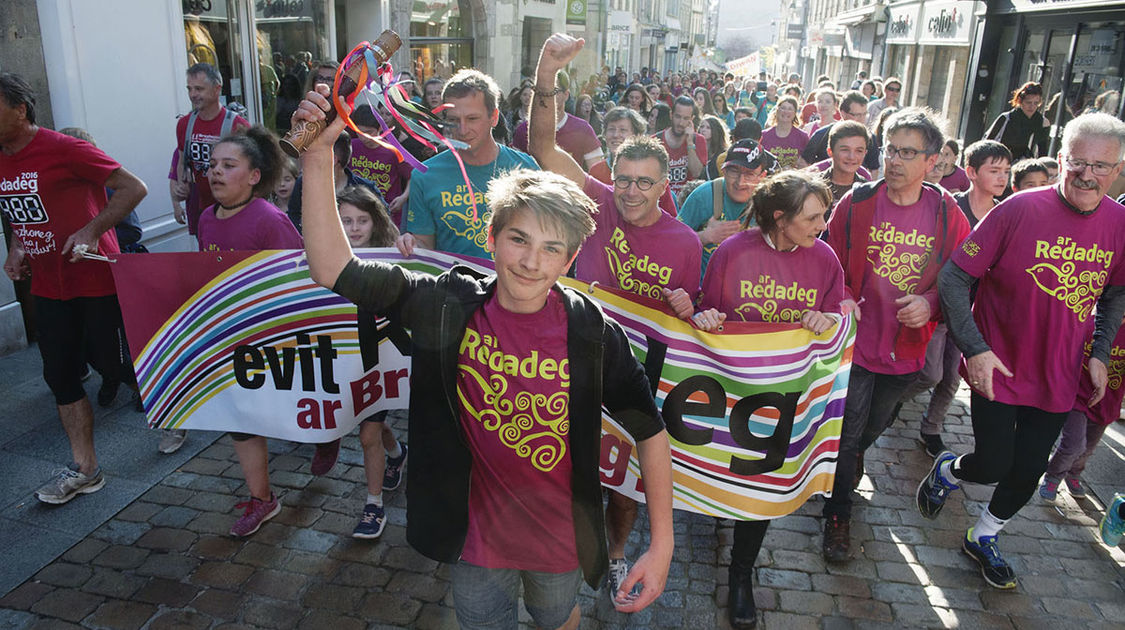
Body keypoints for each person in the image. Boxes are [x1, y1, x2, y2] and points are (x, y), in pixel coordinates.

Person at [296, 82, 675, 629]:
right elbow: (335, 270)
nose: (530, 261)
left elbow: (649, 428)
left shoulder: (590, 330)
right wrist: (316, 158)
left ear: (569, 260)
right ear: (492, 237)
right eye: (519, 239)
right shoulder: (445, 305)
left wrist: (660, 545)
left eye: (551, 249)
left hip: (562, 538)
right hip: (473, 537)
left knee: (558, 617)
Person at [917, 113, 1125, 590]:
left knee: (1029, 468)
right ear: (1060, 161)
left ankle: (983, 535)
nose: (1087, 175)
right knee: (992, 463)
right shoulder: (1017, 210)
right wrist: (976, 349)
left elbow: (1116, 292)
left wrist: (1099, 351)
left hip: (1059, 370)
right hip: (999, 364)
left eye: (1101, 165)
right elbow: (954, 276)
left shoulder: (1120, 224)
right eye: (1077, 163)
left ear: (1117, 169)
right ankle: (950, 469)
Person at [531, 35, 700, 600]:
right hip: (575, 355)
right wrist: (548, 74)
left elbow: (690, 324)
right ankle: (568, 545)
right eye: (623, 179)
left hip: (638, 377)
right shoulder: (596, 200)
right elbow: (542, 148)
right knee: (569, 463)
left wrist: (688, 308)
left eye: (644, 182)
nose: (630, 192)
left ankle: (620, 552)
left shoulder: (684, 242)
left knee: (626, 481)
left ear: (664, 184)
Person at [688, 170, 844, 629]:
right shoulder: (733, 251)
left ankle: (741, 574)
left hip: (785, 396)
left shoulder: (825, 259)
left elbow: (837, 313)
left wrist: (827, 318)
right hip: (731, 390)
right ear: (780, 217)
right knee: (724, 475)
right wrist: (707, 316)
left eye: (824, 214)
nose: (822, 224)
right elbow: (705, 311)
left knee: (760, 483)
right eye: (813, 216)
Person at [822, 108, 971, 562]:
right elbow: (826, 262)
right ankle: (837, 513)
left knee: (875, 422)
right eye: (890, 149)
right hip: (856, 341)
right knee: (848, 432)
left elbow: (961, 277)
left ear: (933, 161)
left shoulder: (947, 213)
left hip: (908, 347)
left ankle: (851, 463)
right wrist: (842, 295)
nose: (895, 161)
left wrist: (931, 303)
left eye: (908, 152)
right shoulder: (857, 203)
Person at [1, 73, 149, 503]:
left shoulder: (64, 148)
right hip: (48, 287)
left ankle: (172, 411)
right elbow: (18, 208)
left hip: (95, 279)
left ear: (20, 109)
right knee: (59, 374)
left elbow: (133, 187)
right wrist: (18, 248)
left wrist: (90, 231)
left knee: (116, 366)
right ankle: (86, 469)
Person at [195, 126, 305, 536]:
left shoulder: (270, 220)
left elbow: (297, 279)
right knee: (241, 417)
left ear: (254, 175)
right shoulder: (206, 218)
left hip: (274, 337)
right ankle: (263, 498)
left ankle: (330, 436)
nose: (216, 173)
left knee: (288, 410)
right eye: (212, 166)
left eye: (228, 165)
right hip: (230, 339)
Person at [896, 140, 1013, 459]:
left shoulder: (1006, 212)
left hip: (972, 314)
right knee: (928, 373)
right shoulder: (952, 206)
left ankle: (930, 429)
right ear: (972, 172)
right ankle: (890, 400)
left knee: (950, 380)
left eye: (1006, 171)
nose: (1002, 178)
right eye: (994, 170)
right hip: (938, 307)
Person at [334, 185, 409, 539]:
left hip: (382, 358)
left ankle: (373, 504)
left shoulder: (394, 253)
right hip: (348, 357)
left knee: (367, 434)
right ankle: (396, 452)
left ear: (375, 220)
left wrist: (409, 250)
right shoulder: (325, 254)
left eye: (361, 220)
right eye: (345, 220)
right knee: (373, 428)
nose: (353, 228)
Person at [400, 69, 539, 260]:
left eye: (472, 119)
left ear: (494, 117)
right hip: (454, 285)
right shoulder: (425, 175)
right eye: (453, 120)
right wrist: (411, 245)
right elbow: (425, 245)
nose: (463, 130)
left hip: (512, 285)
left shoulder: (525, 168)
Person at [1039, 313, 1125, 502]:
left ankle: (1074, 474)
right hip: (1076, 397)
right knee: (1074, 444)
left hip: (1107, 403)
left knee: (1088, 448)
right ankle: (1053, 476)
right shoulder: (1087, 323)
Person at [170, 63, 250, 238]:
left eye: (199, 89)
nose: (193, 95)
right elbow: (182, 160)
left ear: (216, 89)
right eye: (189, 89)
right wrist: (181, 186)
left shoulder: (238, 125)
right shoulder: (185, 124)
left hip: (234, 212)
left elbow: (253, 171)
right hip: (203, 211)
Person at [678, 139, 777, 273]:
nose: (740, 182)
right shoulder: (704, 196)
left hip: (748, 289)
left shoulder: (770, 205)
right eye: (734, 171)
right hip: (703, 290)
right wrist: (706, 236)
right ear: (723, 171)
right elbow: (673, 244)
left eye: (749, 174)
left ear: (762, 176)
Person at [287, 132, 382, 231]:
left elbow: (384, 222)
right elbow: (294, 216)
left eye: (312, 154)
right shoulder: (303, 184)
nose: (305, 159)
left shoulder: (367, 188)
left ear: (333, 159)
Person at [590, 107, 676, 215]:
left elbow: (670, 219)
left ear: (636, 135)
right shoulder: (596, 172)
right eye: (611, 129)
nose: (616, 135)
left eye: (623, 130)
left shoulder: (652, 172)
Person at [513, 70, 603, 172]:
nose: (546, 96)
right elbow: (514, 173)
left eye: (553, 91)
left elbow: (598, 174)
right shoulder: (524, 130)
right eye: (540, 92)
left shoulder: (583, 129)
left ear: (566, 95)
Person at [344, 105, 415, 227]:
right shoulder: (350, 147)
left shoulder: (393, 150)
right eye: (360, 132)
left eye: (369, 132)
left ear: (380, 128)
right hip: (357, 212)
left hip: (387, 214)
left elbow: (413, 176)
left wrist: (403, 198)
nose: (365, 137)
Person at [652, 96, 707, 199]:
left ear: (692, 119)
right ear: (671, 115)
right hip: (663, 200)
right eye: (678, 117)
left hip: (687, 201)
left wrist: (690, 143)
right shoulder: (655, 140)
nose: (681, 123)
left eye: (686, 118)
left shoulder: (698, 140)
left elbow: (696, 172)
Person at [984, 82, 1050, 162]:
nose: (1032, 106)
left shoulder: (1042, 122)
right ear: (1020, 101)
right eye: (1028, 102)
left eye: (1036, 103)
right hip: (1000, 159)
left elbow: (1042, 151)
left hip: (1023, 162)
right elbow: (987, 143)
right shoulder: (1006, 118)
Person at [816, 120, 870, 212]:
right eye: (845, 150)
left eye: (859, 151)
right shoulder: (814, 187)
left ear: (865, 153)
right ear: (830, 151)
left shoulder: (867, 191)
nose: (851, 157)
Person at [760, 96, 809, 170]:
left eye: (790, 109)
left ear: (795, 113)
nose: (786, 112)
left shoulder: (803, 137)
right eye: (783, 108)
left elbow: (806, 164)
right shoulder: (764, 135)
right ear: (777, 110)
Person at [700, 115, 730, 180]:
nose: (703, 130)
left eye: (708, 128)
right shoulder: (697, 150)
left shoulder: (723, 154)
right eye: (702, 127)